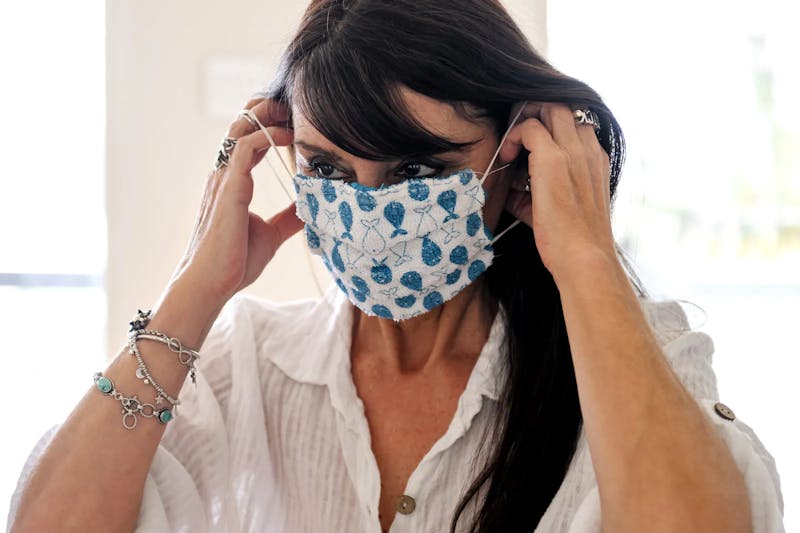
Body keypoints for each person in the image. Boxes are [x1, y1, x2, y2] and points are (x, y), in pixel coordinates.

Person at [7, 0, 785, 532]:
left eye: (418, 173)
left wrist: (583, 257)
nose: (369, 213)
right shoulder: (242, 365)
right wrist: (194, 289)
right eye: (330, 170)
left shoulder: (635, 361)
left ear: (516, 159)